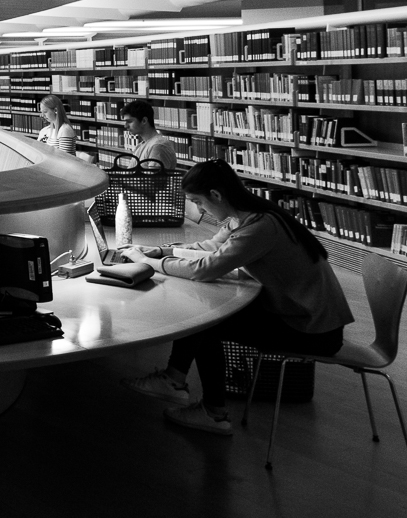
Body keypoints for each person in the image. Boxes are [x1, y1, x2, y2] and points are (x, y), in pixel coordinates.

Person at [119, 159, 355, 434]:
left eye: (199, 201)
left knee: (206, 323)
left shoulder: (259, 227)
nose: (198, 209)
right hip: (300, 312)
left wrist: (146, 263)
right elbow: (211, 247)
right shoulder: (248, 215)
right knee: (202, 314)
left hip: (314, 330)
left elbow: (207, 269)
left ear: (216, 195)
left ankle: (213, 413)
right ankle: (174, 380)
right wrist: (161, 252)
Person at [120, 99, 177, 170]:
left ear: (144, 121)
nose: (125, 126)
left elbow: (154, 180)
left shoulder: (158, 146)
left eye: (129, 121)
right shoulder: (141, 145)